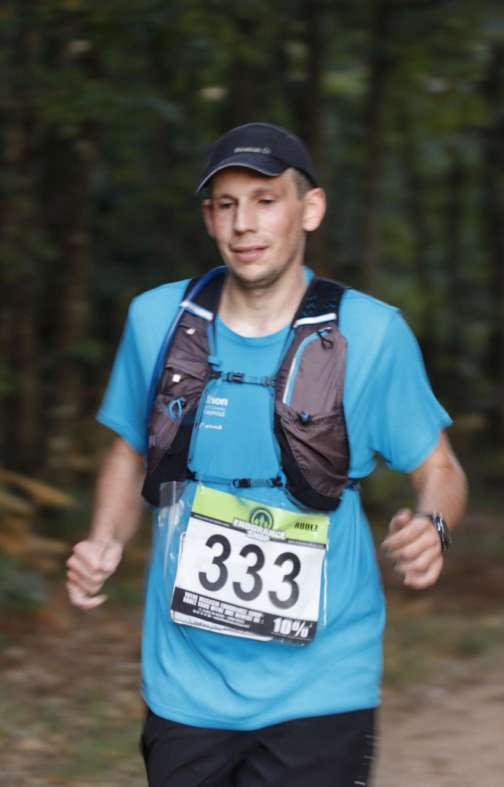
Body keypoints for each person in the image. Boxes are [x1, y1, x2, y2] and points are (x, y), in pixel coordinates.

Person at [66, 122, 467, 787]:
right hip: (184, 681)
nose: (243, 224)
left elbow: (440, 469)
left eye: (265, 200)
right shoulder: (157, 319)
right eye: (226, 204)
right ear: (208, 218)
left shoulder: (371, 333)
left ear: (310, 208)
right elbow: (131, 450)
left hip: (324, 678)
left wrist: (433, 524)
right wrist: (104, 538)